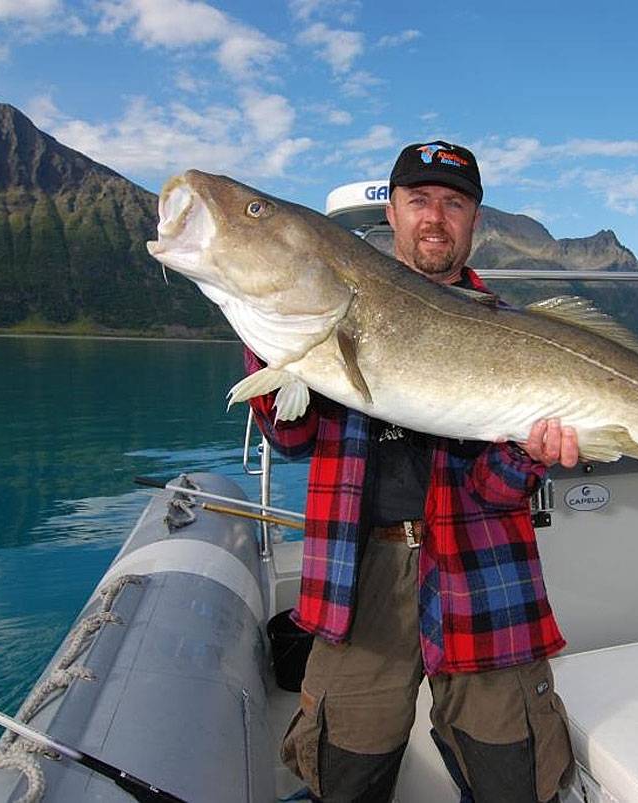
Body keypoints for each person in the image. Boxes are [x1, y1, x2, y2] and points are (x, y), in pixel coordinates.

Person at [246, 141, 577, 803]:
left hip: (482, 571)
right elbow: (290, 435)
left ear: (474, 221)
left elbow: (493, 489)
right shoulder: (329, 303)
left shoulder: (518, 333)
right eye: (419, 200)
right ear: (392, 215)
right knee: (345, 782)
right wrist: (275, 333)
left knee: (514, 781)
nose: (435, 217)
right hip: (359, 575)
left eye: (454, 203)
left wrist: (532, 452)